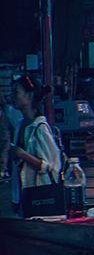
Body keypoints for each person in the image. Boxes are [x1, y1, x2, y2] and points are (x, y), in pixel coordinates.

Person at [10, 75, 62, 217]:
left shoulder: (40, 128)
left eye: (16, 92)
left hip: (42, 199)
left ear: (29, 95)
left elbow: (51, 167)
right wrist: (16, 199)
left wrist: (21, 154)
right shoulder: (21, 125)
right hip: (26, 198)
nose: (12, 96)